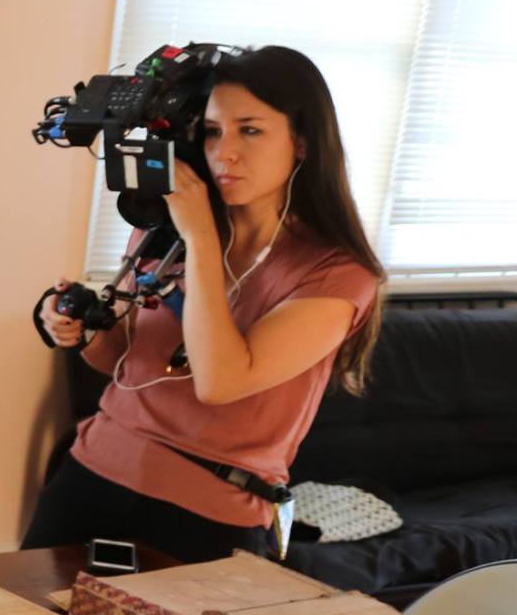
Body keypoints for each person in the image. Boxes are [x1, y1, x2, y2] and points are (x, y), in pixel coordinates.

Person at [22, 45, 383, 563]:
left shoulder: (336, 275)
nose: (224, 152)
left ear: (302, 141)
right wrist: (78, 327)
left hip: (209, 513)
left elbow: (221, 382)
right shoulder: (164, 231)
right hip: (92, 474)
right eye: (213, 131)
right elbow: (121, 363)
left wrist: (200, 241)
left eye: (250, 130)